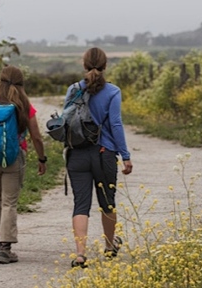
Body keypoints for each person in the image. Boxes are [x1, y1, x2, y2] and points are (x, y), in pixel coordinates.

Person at [65, 47, 133, 268]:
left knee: (81, 204)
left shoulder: (73, 89)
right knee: (107, 203)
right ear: (105, 66)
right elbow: (115, 124)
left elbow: (66, 122)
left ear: (84, 65)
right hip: (104, 153)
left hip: (77, 154)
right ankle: (110, 246)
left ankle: (80, 255)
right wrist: (125, 155)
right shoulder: (113, 91)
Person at [0, 65, 47, 264]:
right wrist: (42, 159)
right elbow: (36, 136)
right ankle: (6, 247)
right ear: (21, 83)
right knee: (9, 202)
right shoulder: (23, 104)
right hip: (14, 157)